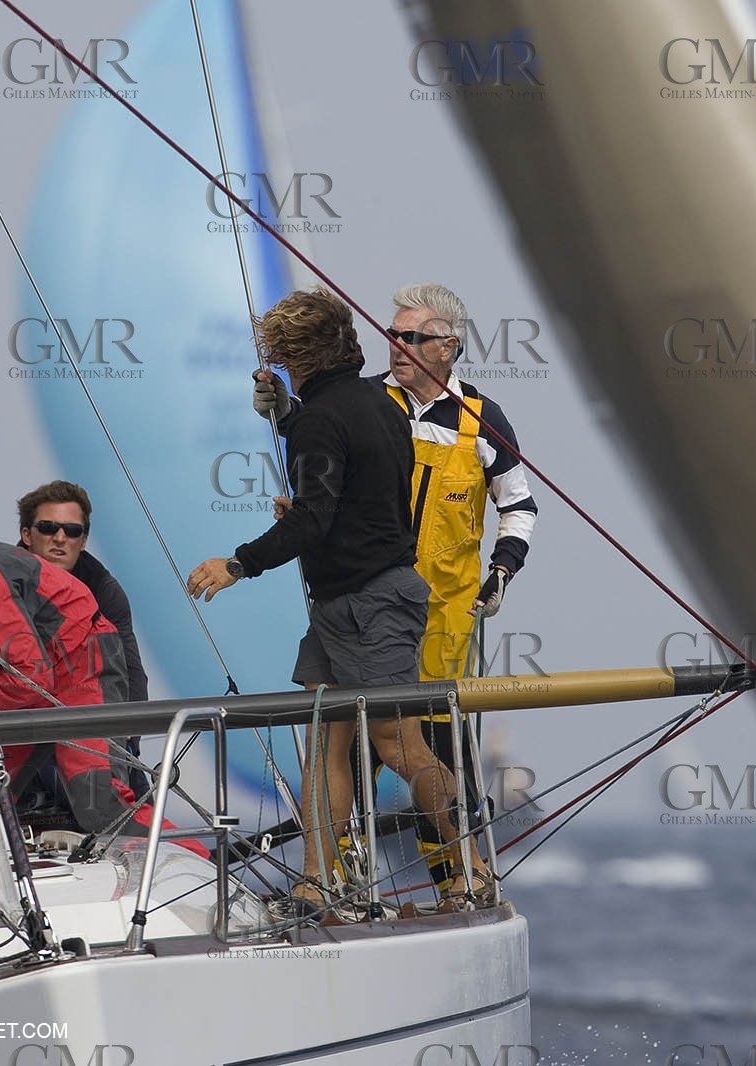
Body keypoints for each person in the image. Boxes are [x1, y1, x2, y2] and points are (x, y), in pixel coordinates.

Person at [188, 287, 491, 911]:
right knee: (324, 739)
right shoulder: (378, 405)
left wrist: (237, 563)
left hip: (370, 602)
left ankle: (473, 864)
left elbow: (315, 519)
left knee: (398, 745)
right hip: (351, 601)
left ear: (294, 356)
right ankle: (315, 881)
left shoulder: (319, 420)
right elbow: (370, 495)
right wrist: (289, 420)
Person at [254, 282, 537, 899]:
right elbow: (333, 460)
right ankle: (335, 881)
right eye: (392, 336)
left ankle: (459, 879)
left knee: (426, 742)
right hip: (367, 595)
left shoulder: (481, 418)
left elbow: (520, 507)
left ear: (449, 348)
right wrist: (287, 425)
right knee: (347, 740)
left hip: (444, 609)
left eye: (412, 338)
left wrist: (501, 572)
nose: (398, 347)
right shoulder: (374, 403)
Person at [0, 480, 205, 858]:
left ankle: (198, 860)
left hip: (81, 668)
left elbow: (28, 674)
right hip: (34, 677)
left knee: (99, 803)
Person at [17, 481, 149, 796]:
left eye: (72, 531)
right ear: (26, 535)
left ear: (84, 540)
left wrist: (129, 740)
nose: (60, 538)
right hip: (15, 724)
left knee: (134, 796)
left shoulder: (105, 589)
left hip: (85, 722)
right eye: (48, 528)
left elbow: (130, 671)